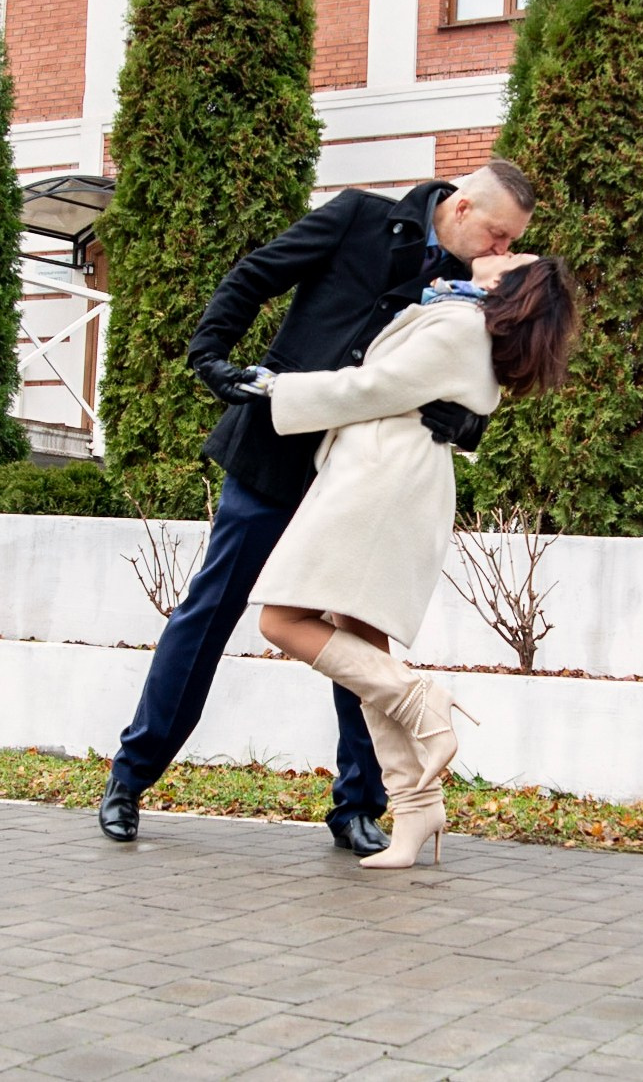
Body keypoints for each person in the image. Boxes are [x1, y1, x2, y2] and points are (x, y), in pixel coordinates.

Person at [100, 163, 536, 854]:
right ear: (458, 207)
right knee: (211, 608)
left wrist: (468, 426)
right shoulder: (360, 216)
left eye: (511, 242)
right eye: (497, 233)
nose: (500, 251)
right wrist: (210, 356)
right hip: (278, 453)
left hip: (365, 477)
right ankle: (130, 777)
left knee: (360, 636)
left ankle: (358, 805)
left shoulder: (477, 289)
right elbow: (254, 275)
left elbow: (468, 374)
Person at [255, 253, 578, 869]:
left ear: (504, 285)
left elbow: (373, 386)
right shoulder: (457, 316)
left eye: (515, 256)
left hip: (380, 481)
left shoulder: (460, 324)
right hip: (391, 476)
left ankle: (419, 699)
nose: (505, 247)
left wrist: (277, 387)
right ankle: (415, 802)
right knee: (361, 642)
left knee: (281, 620)